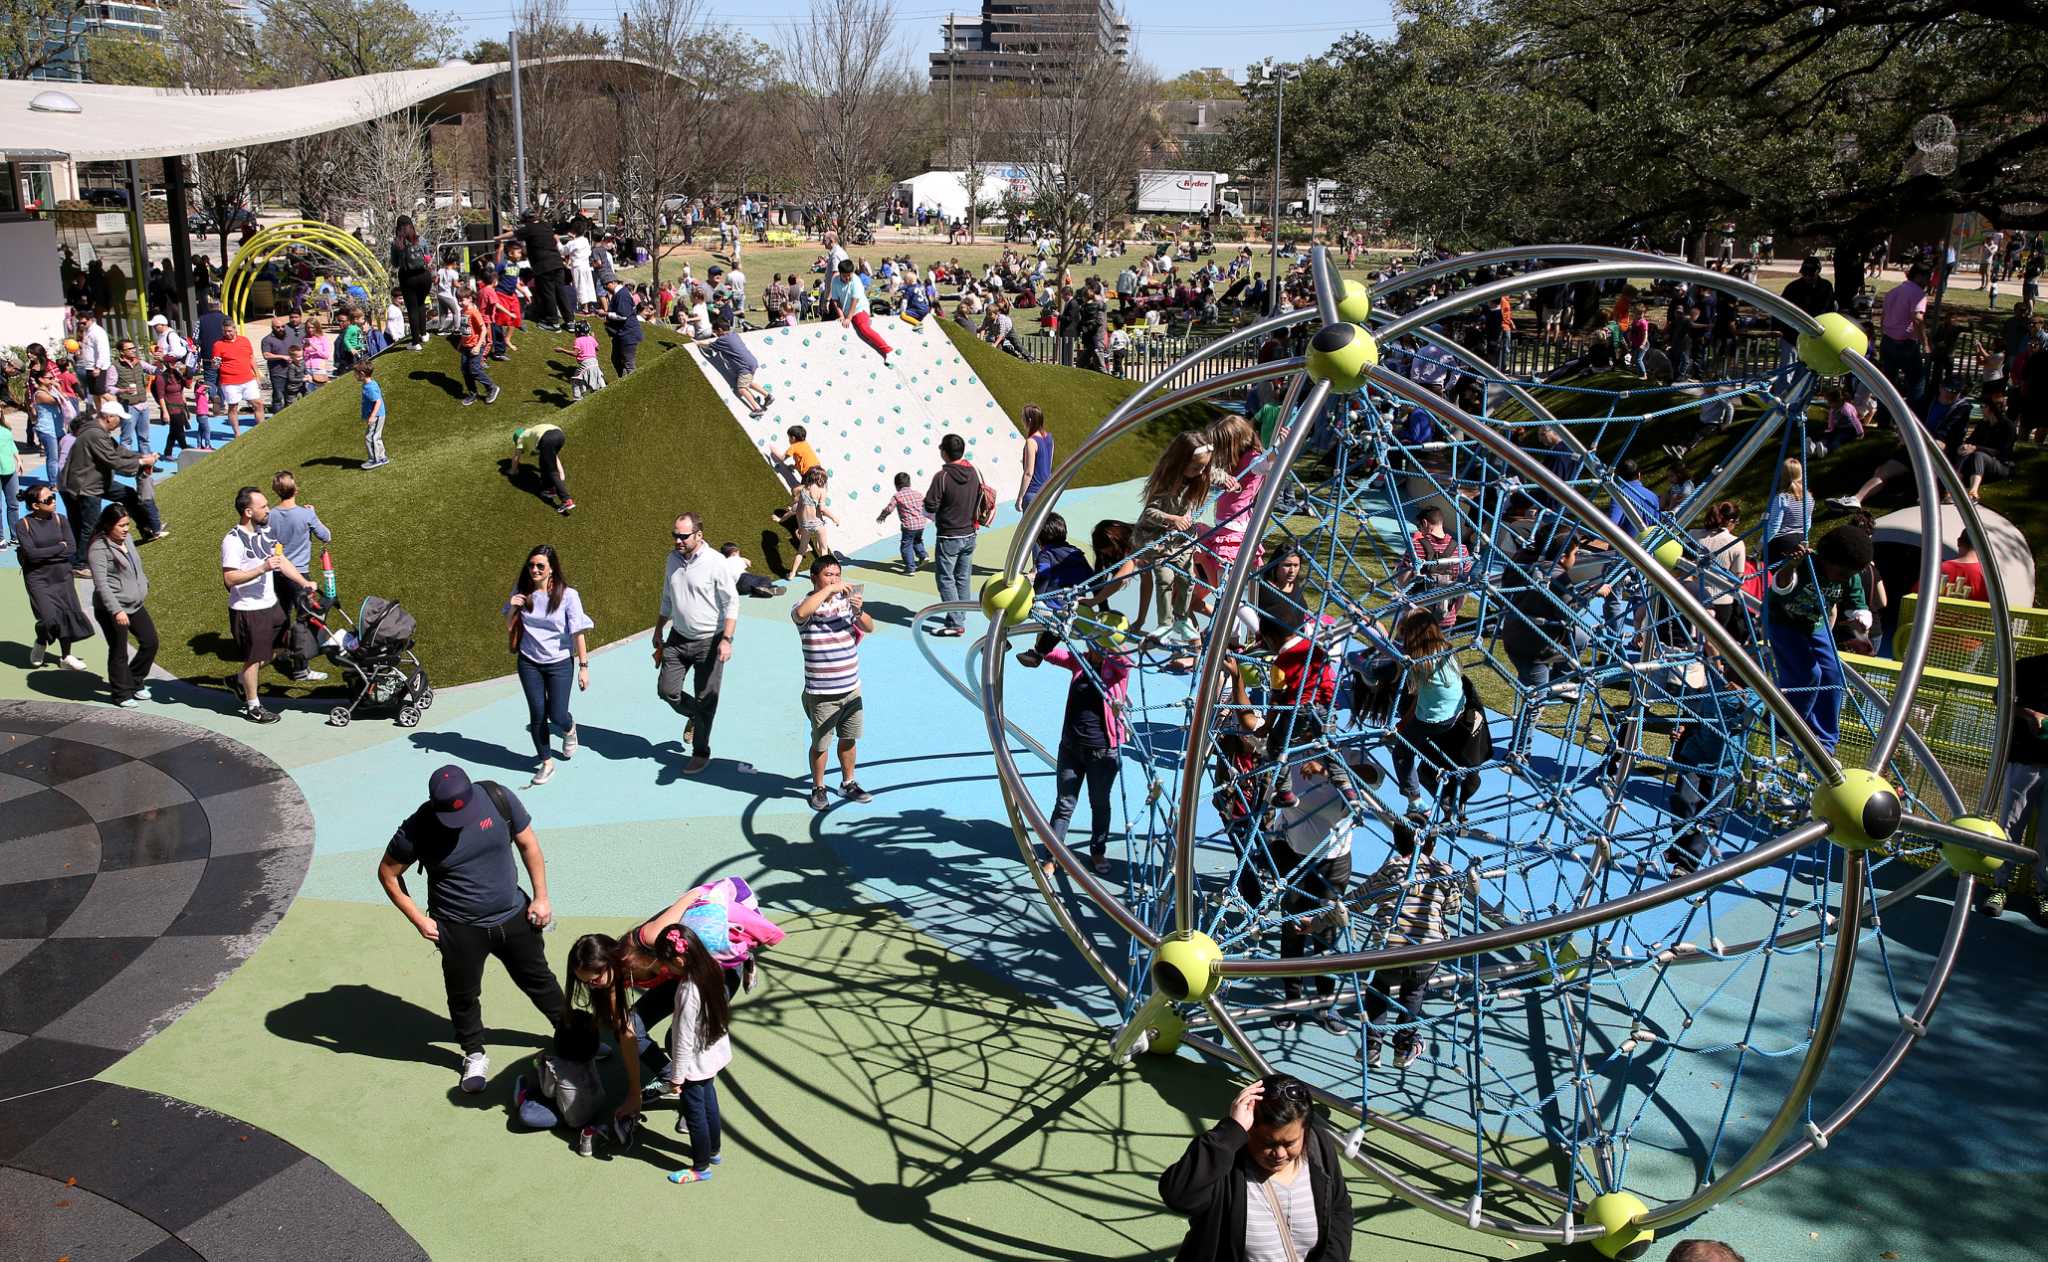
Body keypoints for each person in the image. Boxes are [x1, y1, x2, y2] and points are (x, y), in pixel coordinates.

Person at [377, 764, 566, 1094]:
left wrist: (542, 897)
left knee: (540, 980)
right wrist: (419, 920)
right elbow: (388, 874)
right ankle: (474, 1052)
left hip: (513, 915)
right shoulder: (417, 828)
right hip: (458, 928)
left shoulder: (498, 798)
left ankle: (571, 1036)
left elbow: (528, 845)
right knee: (463, 995)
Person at [1157, 1075, 1354, 1262]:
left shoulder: (1319, 1147)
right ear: (1248, 1129)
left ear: (1306, 1131)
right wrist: (1230, 1131)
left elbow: (1338, 1209)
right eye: (1266, 1142)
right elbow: (1179, 1196)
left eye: (1290, 1143)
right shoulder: (1226, 1161)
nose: (1279, 1154)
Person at [1359, 823, 1461, 1068]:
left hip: (1389, 950)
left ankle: (1372, 1044)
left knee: (1378, 988)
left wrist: (1317, 921)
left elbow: (1359, 899)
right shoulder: (1443, 870)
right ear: (1432, 845)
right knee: (1414, 991)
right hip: (1425, 952)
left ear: (1397, 843)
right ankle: (1404, 1047)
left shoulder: (1392, 868)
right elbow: (1455, 908)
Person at [1765, 525, 1869, 752]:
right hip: (1784, 622)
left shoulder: (1849, 576)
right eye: (1842, 573)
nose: (1844, 578)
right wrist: (1791, 565)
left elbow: (1857, 601)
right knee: (1808, 674)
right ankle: (1784, 723)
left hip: (1815, 625)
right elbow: (1780, 587)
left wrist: (1860, 619)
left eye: (1849, 575)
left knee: (1833, 675)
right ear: (1826, 560)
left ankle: (1825, 739)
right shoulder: (1806, 563)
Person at [220, 485, 317, 725]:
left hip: (270, 605)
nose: (267, 510)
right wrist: (262, 568)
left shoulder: (265, 532)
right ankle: (253, 706)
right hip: (248, 610)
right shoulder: (233, 540)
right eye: (262, 506)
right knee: (254, 658)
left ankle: (239, 678)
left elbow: (281, 560)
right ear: (248, 512)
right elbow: (229, 579)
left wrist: (304, 582)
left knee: (281, 648)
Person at [653, 511, 739, 775]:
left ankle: (701, 752)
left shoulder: (716, 563)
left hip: (709, 642)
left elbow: (731, 602)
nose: (678, 540)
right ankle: (693, 715)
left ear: (698, 535)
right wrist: (659, 631)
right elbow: (668, 597)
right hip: (677, 639)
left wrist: (726, 639)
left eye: (683, 536)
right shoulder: (672, 560)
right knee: (667, 691)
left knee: (706, 699)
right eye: (674, 535)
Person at [791, 556, 876, 810]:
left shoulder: (846, 604)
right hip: (822, 691)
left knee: (849, 738)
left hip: (851, 687)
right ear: (814, 578)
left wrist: (858, 611)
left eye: (837, 575)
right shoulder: (805, 605)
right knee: (821, 743)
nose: (835, 580)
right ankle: (818, 787)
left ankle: (848, 782)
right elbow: (800, 613)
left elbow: (870, 627)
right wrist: (828, 591)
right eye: (828, 575)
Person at [505, 545, 593, 788]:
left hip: (559, 664)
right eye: (531, 565)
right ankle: (546, 762)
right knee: (537, 713)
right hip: (529, 662)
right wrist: (513, 606)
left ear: (551, 569)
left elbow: (578, 633)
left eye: (540, 566)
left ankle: (569, 728)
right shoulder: (522, 591)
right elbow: (510, 627)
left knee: (557, 714)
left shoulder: (568, 596)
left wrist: (584, 667)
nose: (534, 569)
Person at [61, 399, 163, 566]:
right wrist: (142, 463)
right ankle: (81, 563)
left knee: (129, 495)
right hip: (87, 486)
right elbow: (113, 460)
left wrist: (141, 456)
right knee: (90, 525)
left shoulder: (99, 432)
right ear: (109, 417)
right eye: (119, 419)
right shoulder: (94, 434)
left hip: (98, 481)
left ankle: (147, 529)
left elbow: (118, 451)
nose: (120, 422)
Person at [1391, 609, 1464, 817]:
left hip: (1434, 718)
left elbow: (1415, 701)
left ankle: (1415, 801)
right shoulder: (1445, 648)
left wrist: (1402, 726)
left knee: (1402, 753)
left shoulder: (1418, 661)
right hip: (1454, 712)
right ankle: (1450, 801)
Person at [85, 502, 156, 708]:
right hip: (112, 608)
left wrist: (144, 583)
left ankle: (133, 680)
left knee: (150, 642)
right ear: (108, 525)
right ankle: (121, 694)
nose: (126, 529)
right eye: (121, 525)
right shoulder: (98, 548)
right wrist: (116, 611)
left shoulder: (128, 540)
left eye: (127, 524)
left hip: (134, 604)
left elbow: (136, 565)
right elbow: (101, 585)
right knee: (119, 651)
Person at [16, 484, 93, 671]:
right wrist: (60, 548)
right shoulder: (23, 525)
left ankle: (65, 656)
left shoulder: (61, 519)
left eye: (53, 498)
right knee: (49, 618)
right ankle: (41, 641)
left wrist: (48, 552)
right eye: (48, 500)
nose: (53, 502)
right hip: (38, 578)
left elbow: (72, 549)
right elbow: (32, 555)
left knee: (66, 615)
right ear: (35, 505)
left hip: (62, 576)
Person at [266, 471, 331, 683]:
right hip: (299, 574)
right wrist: (314, 514)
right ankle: (301, 668)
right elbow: (326, 536)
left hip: (276, 572)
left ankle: (279, 652)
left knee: (282, 615)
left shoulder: (270, 515)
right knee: (304, 620)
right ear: (296, 489)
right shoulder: (306, 515)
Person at [923, 432, 985, 637]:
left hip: (949, 536)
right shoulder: (974, 472)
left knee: (946, 579)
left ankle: (956, 622)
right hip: (970, 533)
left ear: (945, 453)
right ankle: (959, 615)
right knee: (963, 577)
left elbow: (930, 505)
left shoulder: (943, 477)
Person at [1878, 261, 1932, 406]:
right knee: (1917, 382)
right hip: (1905, 344)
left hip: (1887, 340)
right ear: (1920, 276)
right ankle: (1914, 419)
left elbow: (1883, 317)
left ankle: (1884, 419)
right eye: (1928, 277)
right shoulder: (1918, 294)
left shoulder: (1893, 292)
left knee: (1887, 384)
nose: (1929, 281)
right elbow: (1918, 318)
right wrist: (1925, 344)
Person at [507, 209, 567, 330]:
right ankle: (569, 320)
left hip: (543, 268)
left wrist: (498, 238)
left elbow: (514, 234)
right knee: (559, 292)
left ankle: (553, 321)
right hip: (556, 264)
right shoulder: (546, 226)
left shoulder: (529, 228)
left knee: (549, 293)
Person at [831, 258, 894, 365]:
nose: (847, 278)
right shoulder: (835, 281)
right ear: (840, 273)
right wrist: (841, 315)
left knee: (863, 328)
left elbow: (855, 301)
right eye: (845, 276)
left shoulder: (855, 280)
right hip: (846, 311)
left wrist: (849, 318)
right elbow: (836, 300)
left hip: (859, 308)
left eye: (849, 275)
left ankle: (888, 351)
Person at [703, 316, 771, 416]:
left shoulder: (722, 340)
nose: (715, 334)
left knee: (742, 388)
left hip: (744, 367)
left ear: (720, 330)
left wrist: (697, 343)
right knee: (748, 382)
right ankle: (768, 396)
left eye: (715, 332)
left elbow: (708, 345)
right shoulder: (734, 335)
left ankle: (757, 409)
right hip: (752, 362)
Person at [212, 321, 264, 436]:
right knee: (233, 407)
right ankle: (237, 433)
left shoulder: (244, 340)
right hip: (229, 382)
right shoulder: (218, 345)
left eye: (230, 331)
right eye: (225, 331)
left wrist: (257, 375)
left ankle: (262, 430)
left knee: (258, 403)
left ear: (235, 330)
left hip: (248, 379)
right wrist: (215, 364)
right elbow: (215, 365)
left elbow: (251, 358)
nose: (227, 333)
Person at [875, 470, 930, 574]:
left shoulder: (898, 496)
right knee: (917, 540)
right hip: (921, 523)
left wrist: (882, 516)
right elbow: (925, 505)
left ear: (896, 485)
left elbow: (889, 508)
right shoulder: (917, 494)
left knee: (906, 545)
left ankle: (910, 568)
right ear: (909, 483)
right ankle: (923, 556)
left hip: (909, 526)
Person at [513, 423, 574, 514]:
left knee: (551, 471)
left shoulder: (521, 438)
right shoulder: (531, 432)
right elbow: (554, 456)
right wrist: (561, 472)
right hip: (560, 435)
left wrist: (513, 470)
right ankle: (549, 489)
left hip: (547, 438)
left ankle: (566, 500)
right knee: (544, 462)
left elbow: (516, 457)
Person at [458, 281, 502, 406]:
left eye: (462, 300)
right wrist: (461, 343)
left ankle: (492, 387)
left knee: (474, 370)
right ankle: (473, 394)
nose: (460, 302)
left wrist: (477, 346)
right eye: (458, 300)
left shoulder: (474, 312)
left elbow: (483, 330)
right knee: (465, 370)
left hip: (476, 346)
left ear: (470, 299)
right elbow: (465, 329)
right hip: (466, 346)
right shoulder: (463, 312)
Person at [603, 276, 642, 378]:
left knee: (629, 364)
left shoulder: (622, 294)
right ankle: (623, 382)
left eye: (606, 285)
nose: (605, 288)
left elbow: (623, 315)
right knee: (616, 358)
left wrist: (606, 314)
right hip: (620, 334)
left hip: (628, 334)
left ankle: (635, 387)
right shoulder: (621, 294)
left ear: (612, 283)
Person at [1017, 404, 1055, 509]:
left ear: (1029, 421)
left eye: (1023, 417)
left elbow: (1029, 473)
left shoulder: (1031, 442)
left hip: (1032, 493)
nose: (1021, 420)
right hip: (1045, 492)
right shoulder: (1050, 438)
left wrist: (1020, 498)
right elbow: (1048, 466)